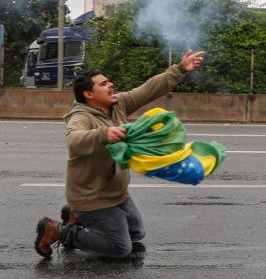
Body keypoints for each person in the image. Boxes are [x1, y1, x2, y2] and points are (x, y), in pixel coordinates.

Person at [34, 49, 204, 259]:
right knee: (120, 248)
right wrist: (104, 134)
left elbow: (148, 89)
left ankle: (75, 216)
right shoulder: (81, 116)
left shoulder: (117, 104)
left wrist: (179, 69)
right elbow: (74, 138)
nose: (111, 85)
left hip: (116, 192)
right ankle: (57, 229)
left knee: (136, 233)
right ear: (89, 94)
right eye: (103, 84)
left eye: (109, 82)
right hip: (91, 196)